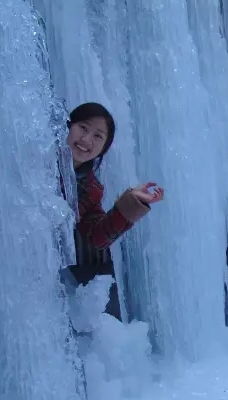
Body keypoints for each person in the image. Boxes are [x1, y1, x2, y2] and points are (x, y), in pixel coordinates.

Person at [61, 103, 164, 322]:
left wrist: (132, 202)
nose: (87, 140)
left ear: (103, 148)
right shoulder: (35, 161)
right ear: (68, 126)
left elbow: (97, 236)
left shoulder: (91, 189)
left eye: (98, 136)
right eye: (83, 127)